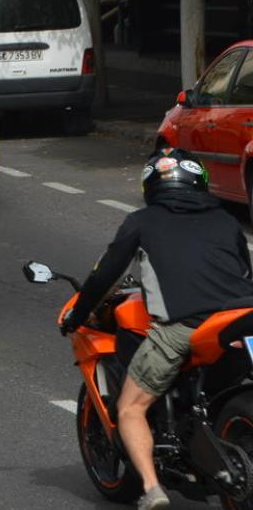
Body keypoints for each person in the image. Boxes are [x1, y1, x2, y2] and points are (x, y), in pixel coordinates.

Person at [62, 147, 253, 510]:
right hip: (243, 316)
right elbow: (244, 272)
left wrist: (77, 315)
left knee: (131, 407)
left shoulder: (142, 221)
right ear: (200, 183)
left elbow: (105, 276)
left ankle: (152, 490)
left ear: (151, 186)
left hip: (187, 326)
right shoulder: (226, 220)